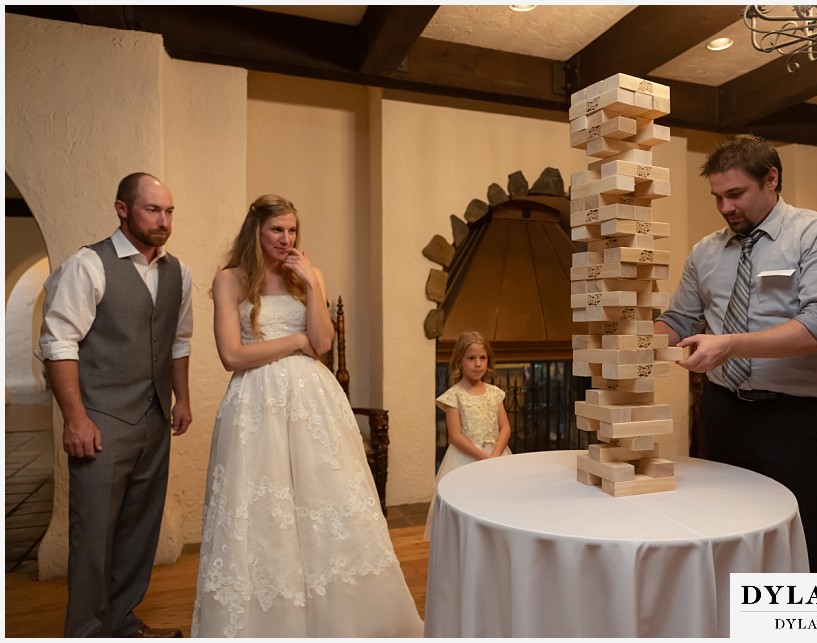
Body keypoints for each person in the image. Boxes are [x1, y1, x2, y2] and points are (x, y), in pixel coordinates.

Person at [191, 194, 423, 638]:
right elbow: (232, 355)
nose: (286, 238)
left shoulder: (307, 274)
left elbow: (320, 342)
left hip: (313, 403)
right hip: (256, 405)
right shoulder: (230, 279)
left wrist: (312, 285)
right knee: (262, 507)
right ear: (256, 231)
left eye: (292, 230)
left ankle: (343, 618)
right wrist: (294, 343)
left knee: (324, 500)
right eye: (277, 230)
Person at [654, 134, 817, 573]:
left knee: (808, 547)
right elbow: (680, 321)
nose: (726, 208)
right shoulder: (705, 252)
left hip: (797, 421)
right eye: (717, 197)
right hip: (722, 412)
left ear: (772, 179)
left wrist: (729, 344)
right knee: (730, 536)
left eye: (736, 194)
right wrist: (628, 342)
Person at [39, 172, 193, 637]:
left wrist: (182, 397)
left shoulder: (177, 272)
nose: (163, 220)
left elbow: (178, 340)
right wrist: (76, 419)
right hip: (101, 420)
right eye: (152, 210)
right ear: (122, 210)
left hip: (153, 419)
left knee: (139, 529)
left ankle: (122, 620)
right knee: (93, 536)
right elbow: (58, 343)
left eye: (169, 211)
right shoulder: (88, 265)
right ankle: (86, 632)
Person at [423, 331, 512, 541]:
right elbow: (455, 436)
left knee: (498, 505)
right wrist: (484, 458)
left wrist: (495, 455)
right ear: (459, 361)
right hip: (466, 459)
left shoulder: (495, 393)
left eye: (482, 358)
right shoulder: (454, 395)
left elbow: (505, 427)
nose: (478, 364)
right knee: (470, 506)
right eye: (471, 358)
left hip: (497, 456)